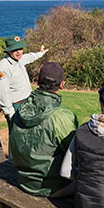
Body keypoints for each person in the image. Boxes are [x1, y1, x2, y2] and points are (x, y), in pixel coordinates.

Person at [9, 62, 78, 197]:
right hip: (52, 186)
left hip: (23, 180)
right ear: (62, 84)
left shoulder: (20, 111)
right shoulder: (62, 117)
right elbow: (76, 153)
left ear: (38, 81)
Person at [0, 36, 48, 125]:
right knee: (16, 135)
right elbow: (2, 93)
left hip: (26, 102)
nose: (19, 52)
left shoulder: (19, 59)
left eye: (20, 48)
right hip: (15, 106)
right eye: (15, 50)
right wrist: (10, 114)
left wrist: (40, 53)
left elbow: (30, 57)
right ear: (8, 51)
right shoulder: (3, 68)